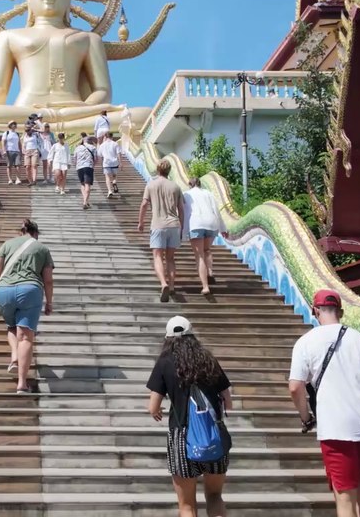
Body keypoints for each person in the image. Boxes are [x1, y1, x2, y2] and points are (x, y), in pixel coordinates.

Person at [288, 290, 360, 517]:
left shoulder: (306, 342)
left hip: (336, 425)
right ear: (340, 312)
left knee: (344, 495)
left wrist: (306, 417)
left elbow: (295, 387)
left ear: (315, 310)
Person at [147, 316, 232, 517]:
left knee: (186, 506)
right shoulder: (208, 359)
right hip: (212, 434)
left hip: (182, 437)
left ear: (168, 338)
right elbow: (228, 400)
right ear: (192, 335)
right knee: (215, 496)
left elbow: (153, 406)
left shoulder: (165, 362)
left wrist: (158, 412)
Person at [0, 219, 55, 393]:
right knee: (25, 337)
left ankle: (15, 358)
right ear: (36, 233)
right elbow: (48, 280)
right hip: (30, 291)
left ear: (21, 232)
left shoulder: (7, 244)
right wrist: (49, 302)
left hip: (4, 291)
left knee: (11, 326)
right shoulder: (42, 248)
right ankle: (22, 384)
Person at [138, 161, 184, 301]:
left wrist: (141, 222)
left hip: (158, 225)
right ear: (169, 171)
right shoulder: (175, 186)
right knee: (170, 258)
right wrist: (181, 227)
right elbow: (181, 209)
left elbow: (144, 204)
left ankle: (163, 283)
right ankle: (172, 287)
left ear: (158, 170)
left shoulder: (151, 185)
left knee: (157, 256)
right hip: (174, 225)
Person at [182, 178, 223, 296]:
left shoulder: (186, 194)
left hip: (196, 224)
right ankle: (210, 271)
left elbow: (185, 213)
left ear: (190, 185)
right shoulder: (208, 193)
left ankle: (205, 287)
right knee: (207, 250)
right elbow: (216, 210)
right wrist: (223, 228)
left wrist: (183, 232)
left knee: (199, 256)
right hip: (211, 223)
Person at [73, 135, 98, 209]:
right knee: (87, 184)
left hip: (79, 167)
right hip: (88, 166)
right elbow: (96, 159)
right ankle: (85, 202)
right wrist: (93, 165)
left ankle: (85, 201)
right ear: (90, 141)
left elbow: (75, 159)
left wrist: (76, 165)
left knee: (82, 184)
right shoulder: (93, 148)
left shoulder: (77, 148)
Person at [97, 132, 125, 198]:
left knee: (107, 177)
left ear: (105, 137)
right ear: (112, 137)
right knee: (114, 176)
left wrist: (101, 163)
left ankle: (109, 191)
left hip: (106, 163)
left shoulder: (102, 145)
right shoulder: (115, 144)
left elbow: (99, 155)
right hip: (114, 163)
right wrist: (121, 163)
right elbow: (118, 154)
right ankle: (114, 182)